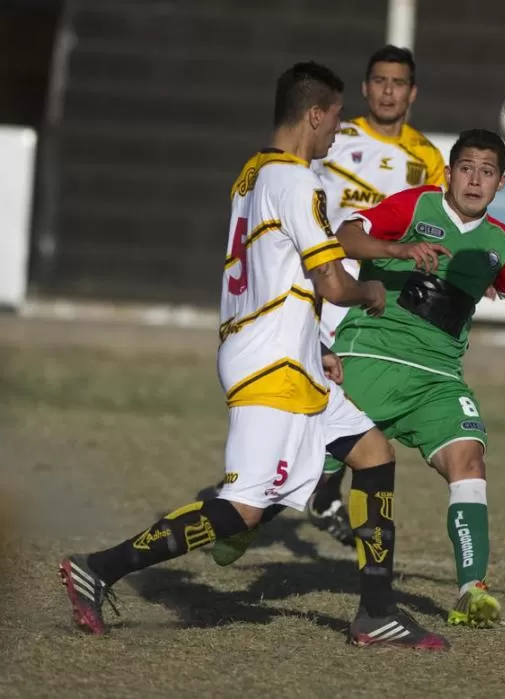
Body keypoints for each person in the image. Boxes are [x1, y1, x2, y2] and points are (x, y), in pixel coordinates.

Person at [57, 61, 450, 650]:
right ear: (314, 114)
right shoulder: (297, 181)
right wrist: (373, 292)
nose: (339, 130)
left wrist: (317, 344)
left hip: (286, 353)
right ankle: (100, 567)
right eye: (337, 116)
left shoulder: (251, 174)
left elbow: (275, 273)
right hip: (272, 364)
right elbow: (333, 284)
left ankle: (375, 611)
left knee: (372, 454)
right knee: (242, 510)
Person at [216, 128, 505, 629]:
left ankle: (472, 591)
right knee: (311, 468)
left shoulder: (500, 244)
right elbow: (345, 237)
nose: (475, 180)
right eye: (466, 168)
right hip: (370, 357)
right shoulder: (416, 206)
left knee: (469, 459)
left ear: (502, 183)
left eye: (487, 172)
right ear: (448, 174)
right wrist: (399, 250)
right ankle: (242, 518)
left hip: (438, 377)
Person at [305, 44, 446, 545]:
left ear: (413, 92)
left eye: (398, 83)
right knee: (319, 391)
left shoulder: (427, 158)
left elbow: (442, 226)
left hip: (379, 295)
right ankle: (298, 487)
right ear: (365, 88)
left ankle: (318, 488)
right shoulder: (334, 138)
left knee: (354, 395)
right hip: (324, 282)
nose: (389, 91)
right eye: (380, 81)